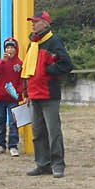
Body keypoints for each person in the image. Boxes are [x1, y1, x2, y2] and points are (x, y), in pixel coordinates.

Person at [21, 10, 73, 178]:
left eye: (35, 21)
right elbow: (27, 70)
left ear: (45, 23)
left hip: (49, 94)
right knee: (38, 133)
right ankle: (42, 164)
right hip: (34, 94)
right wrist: (26, 92)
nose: (33, 24)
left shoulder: (54, 42)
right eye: (32, 22)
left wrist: (47, 70)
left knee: (53, 132)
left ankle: (58, 165)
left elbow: (67, 64)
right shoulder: (33, 43)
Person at [0, 36, 23, 156]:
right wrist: (2, 61)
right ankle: (0, 144)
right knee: (0, 121)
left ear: (16, 49)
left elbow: (22, 80)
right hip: (0, 97)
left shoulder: (20, 64)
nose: (9, 50)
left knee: (13, 122)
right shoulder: (1, 62)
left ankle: (13, 145)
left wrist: (18, 92)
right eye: (7, 48)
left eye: (12, 48)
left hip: (13, 98)